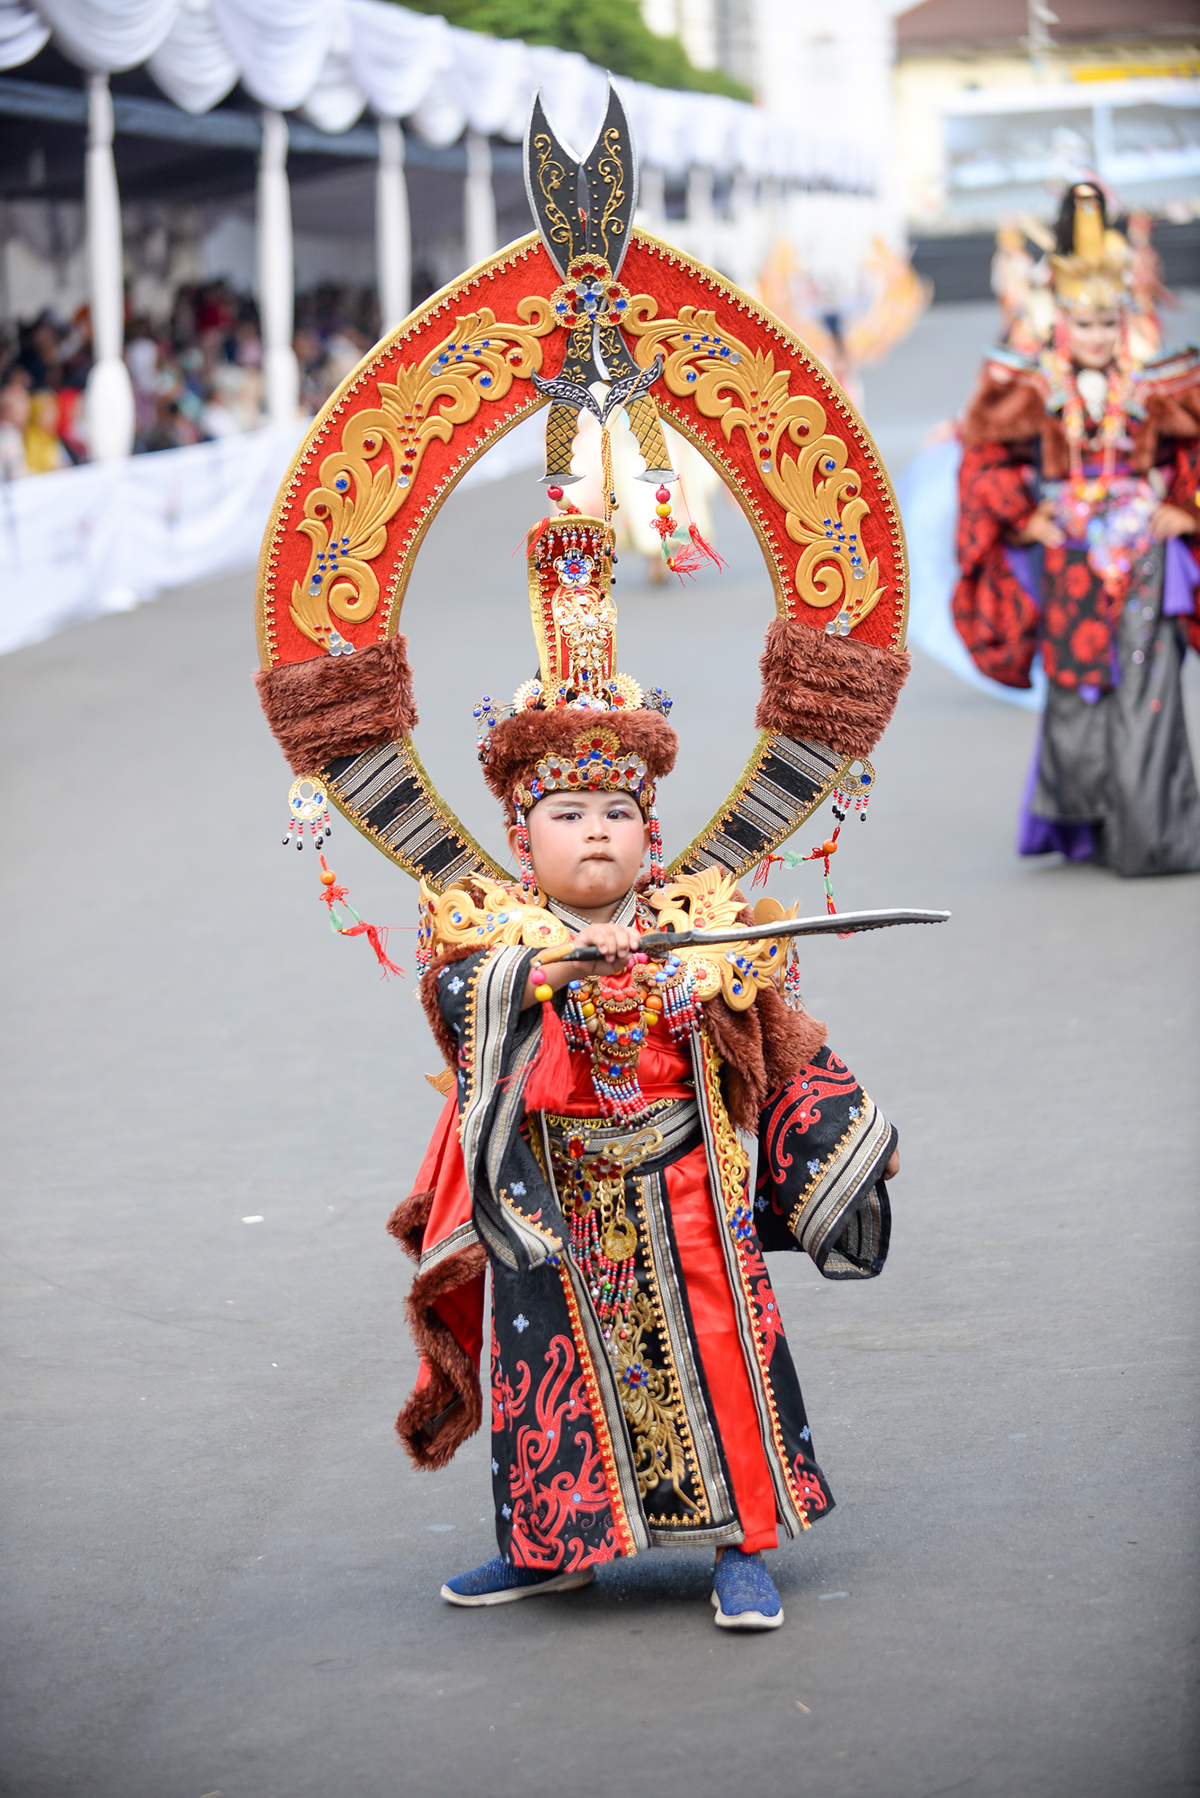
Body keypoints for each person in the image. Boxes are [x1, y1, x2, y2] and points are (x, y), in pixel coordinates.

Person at [379, 503, 902, 1632]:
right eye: (566, 812)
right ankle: (553, 1547)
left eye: (619, 809)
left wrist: (720, 985)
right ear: (523, 837)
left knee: (719, 1361)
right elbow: (460, 1007)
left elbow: (768, 1033)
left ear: (650, 828)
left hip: (682, 1191)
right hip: (551, 1200)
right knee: (546, 1387)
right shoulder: (488, 933)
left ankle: (741, 1544)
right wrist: (555, 969)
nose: (598, 832)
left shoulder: (698, 918)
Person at [952, 183, 1200, 876]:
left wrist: (1189, 506)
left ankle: (1152, 835)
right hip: (1068, 558)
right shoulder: (1024, 385)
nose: (1095, 336)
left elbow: (1195, 453)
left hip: (1146, 555)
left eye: (1106, 323)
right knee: (1077, 687)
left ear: (1125, 320)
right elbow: (982, 458)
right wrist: (1021, 513)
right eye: (1082, 323)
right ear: (1058, 320)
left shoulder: (1162, 383)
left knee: (1147, 691)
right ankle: (1086, 828)